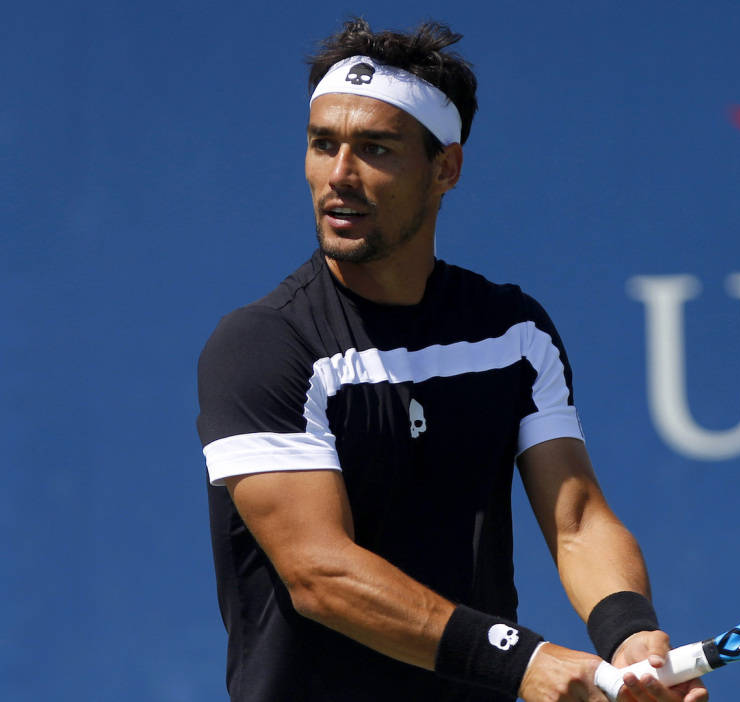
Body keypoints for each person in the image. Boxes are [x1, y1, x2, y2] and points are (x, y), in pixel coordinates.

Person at [196, 18, 708, 702]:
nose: (339, 176)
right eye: (324, 145)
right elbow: (321, 574)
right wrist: (523, 660)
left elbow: (577, 518)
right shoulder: (265, 345)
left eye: (375, 149)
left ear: (446, 168)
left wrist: (630, 634)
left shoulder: (512, 331)